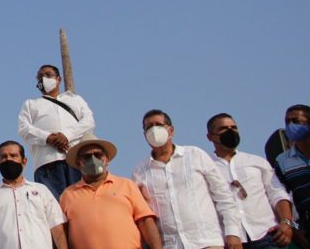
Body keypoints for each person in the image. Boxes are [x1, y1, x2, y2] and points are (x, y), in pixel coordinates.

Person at [132, 109, 244, 249]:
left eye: (159, 125)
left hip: (207, 242)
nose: (154, 130)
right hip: (171, 245)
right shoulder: (140, 172)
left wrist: (233, 233)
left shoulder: (195, 155)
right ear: (145, 135)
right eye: (149, 127)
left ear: (171, 130)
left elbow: (223, 196)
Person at [206, 113, 295, 248]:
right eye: (223, 129)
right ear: (210, 136)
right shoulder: (206, 166)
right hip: (230, 240)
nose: (230, 131)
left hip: (267, 235)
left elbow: (276, 193)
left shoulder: (256, 161)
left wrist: (286, 222)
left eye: (234, 128)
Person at [59, 132, 162, 249]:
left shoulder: (126, 185)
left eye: (98, 155)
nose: (93, 159)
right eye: (86, 157)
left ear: (107, 159)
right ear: (78, 163)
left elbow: (145, 221)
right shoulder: (67, 195)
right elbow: (61, 234)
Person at [17, 64, 95, 200]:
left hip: (76, 161)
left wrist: (66, 136)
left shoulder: (75, 100)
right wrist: (48, 138)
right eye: (39, 77)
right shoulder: (31, 104)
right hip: (47, 164)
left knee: (82, 203)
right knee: (53, 210)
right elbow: (24, 129)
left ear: (58, 79)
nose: (43, 79)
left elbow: (89, 121)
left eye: (47, 75)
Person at [0, 140, 66, 249]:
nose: (8, 160)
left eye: (13, 156)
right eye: (4, 157)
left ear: (24, 161)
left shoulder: (41, 190)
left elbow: (57, 227)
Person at [274, 104, 310, 248]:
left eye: (295, 121)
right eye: (287, 122)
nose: (290, 125)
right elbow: (281, 194)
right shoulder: (282, 161)